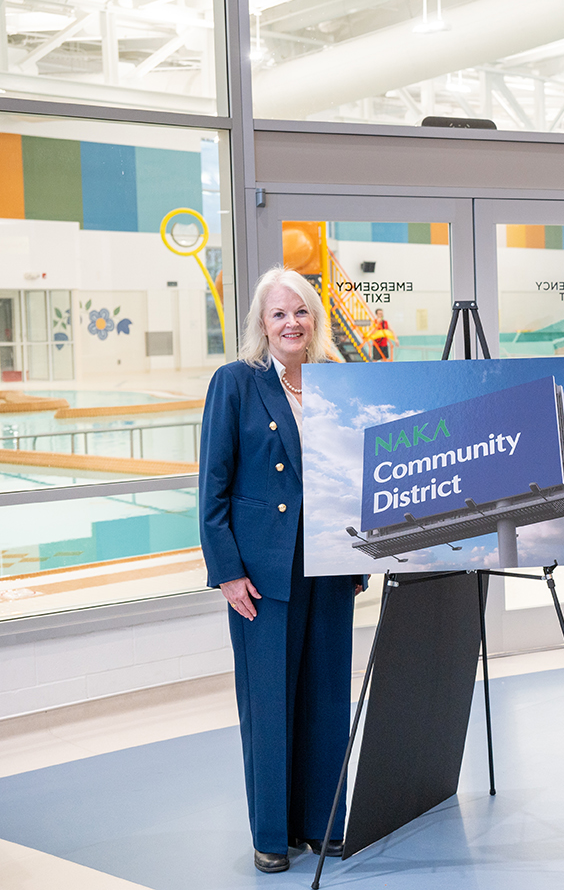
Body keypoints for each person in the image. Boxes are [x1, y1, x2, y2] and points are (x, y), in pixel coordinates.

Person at [199, 267, 362, 874]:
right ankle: (272, 832)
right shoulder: (236, 382)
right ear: (262, 325)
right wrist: (227, 570)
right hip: (264, 573)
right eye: (279, 314)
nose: (292, 323)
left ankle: (322, 824)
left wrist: (359, 558)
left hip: (329, 565)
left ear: (315, 320)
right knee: (269, 703)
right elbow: (212, 486)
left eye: (301, 312)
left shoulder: (334, 384)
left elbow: (352, 475)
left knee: (327, 697)